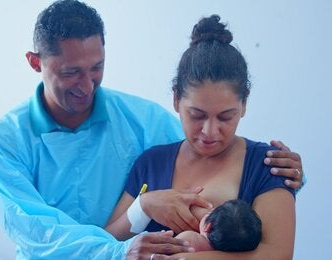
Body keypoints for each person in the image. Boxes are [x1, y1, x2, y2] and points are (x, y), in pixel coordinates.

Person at [0, 1, 303, 258]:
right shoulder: (3, 143)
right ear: (36, 63)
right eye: (71, 72)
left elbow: (213, 159)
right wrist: (127, 237)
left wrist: (282, 179)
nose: (87, 85)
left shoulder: (144, 120)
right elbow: (37, 232)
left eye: (97, 68)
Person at [106, 14, 297, 259]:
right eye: (197, 115)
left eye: (226, 117)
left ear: (244, 105)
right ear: (176, 99)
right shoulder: (151, 163)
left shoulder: (269, 165)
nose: (209, 131)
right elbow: (106, 243)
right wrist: (143, 207)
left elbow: (277, 255)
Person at [175, 199, 262, 252]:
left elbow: (168, 250)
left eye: (209, 213)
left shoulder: (191, 239)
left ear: (208, 227)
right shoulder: (238, 251)